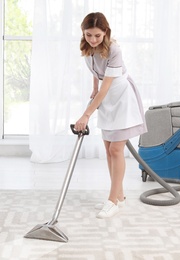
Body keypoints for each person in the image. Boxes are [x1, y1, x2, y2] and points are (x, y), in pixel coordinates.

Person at [74, 12, 147, 219]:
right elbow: (96, 71)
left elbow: (107, 87)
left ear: (105, 32)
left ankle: (112, 200)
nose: (93, 39)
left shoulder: (114, 50)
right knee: (108, 150)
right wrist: (94, 87)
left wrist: (86, 115)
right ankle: (120, 196)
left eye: (97, 35)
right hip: (105, 100)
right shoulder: (87, 47)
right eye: (89, 35)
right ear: (84, 33)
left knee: (116, 149)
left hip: (122, 98)